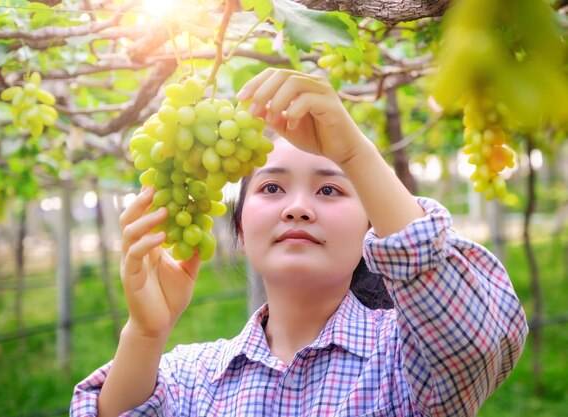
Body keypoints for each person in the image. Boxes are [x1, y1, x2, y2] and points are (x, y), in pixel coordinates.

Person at [70, 68, 528, 417]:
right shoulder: (191, 376)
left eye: (330, 189)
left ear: (372, 228)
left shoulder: (402, 358)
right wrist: (145, 334)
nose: (298, 208)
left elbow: (477, 342)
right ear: (242, 230)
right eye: (271, 189)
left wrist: (353, 152)